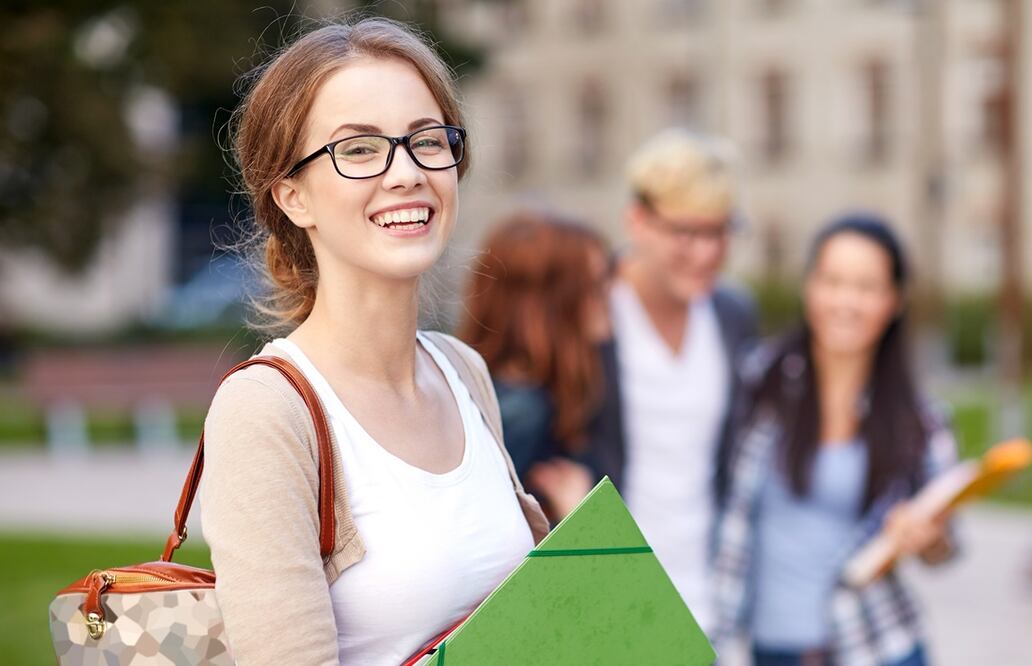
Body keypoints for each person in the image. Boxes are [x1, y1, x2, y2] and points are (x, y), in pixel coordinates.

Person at [199, 18, 548, 665]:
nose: (407, 173)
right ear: (292, 195)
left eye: (427, 140)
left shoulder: (462, 371)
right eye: (358, 149)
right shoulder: (267, 413)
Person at [713, 214, 958, 666]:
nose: (846, 301)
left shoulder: (920, 421)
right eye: (833, 281)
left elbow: (946, 545)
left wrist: (928, 538)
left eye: (866, 287)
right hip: (772, 651)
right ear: (810, 288)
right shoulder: (756, 386)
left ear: (894, 300)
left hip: (878, 647)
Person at [589, 128, 758, 637]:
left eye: (720, 232)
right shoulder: (594, 311)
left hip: (705, 605)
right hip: (608, 601)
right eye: (686, 233)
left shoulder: (731, 315)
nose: (706, 253)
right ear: (637, 221)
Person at [458, 209, 610, 520]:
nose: (609, 296)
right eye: (595, 285)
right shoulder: (520, 411)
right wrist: (580, 517)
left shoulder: (543, 394)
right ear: (549, 302)